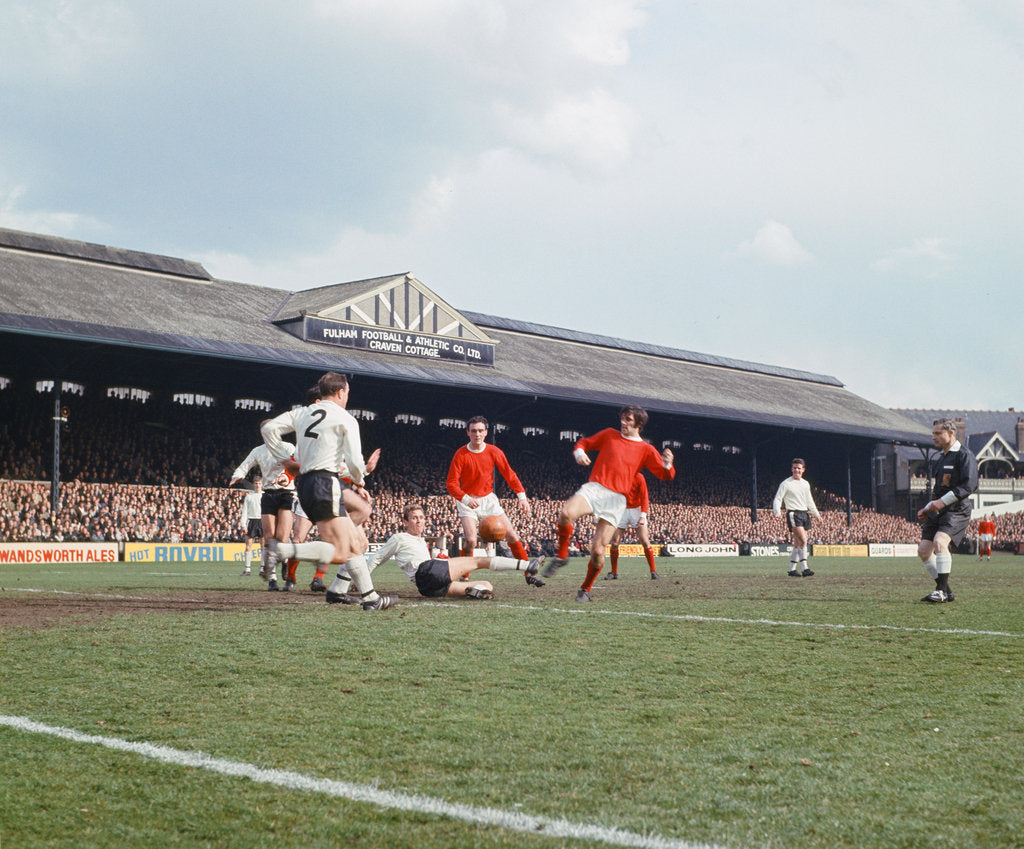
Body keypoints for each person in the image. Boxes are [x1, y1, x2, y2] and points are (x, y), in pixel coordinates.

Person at [262, 371, 395, 611]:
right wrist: (360, 479)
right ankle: (281, 550)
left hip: (307, 484)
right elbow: (354, 462)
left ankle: (355, 595)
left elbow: (269, 429)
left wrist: (285, 459)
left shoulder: (302, 412)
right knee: (343, 550)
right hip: (326, 483)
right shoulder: (345, 418)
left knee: (357, 539)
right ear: (341, 392)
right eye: (348, 393)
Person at [542, 405, 675, 601]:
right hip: (595, 488)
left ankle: (585, 589)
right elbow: (584, 442)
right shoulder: (610, 435)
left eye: (628, 419)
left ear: (638, 424)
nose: (623, 422)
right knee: (565, 514)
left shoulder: (646, 449)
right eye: (622, 418)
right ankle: (561, 556)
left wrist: (668, 463)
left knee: (597, 552)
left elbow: (664, 475)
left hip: (616, 500)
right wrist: (579, 452)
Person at [334, 502, 545, 602]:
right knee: (478, 561)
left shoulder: (420, 541)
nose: (419, 521)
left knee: (487, 585)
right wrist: (362, 582)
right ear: (406, 522)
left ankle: (475, 592)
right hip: (426, 572)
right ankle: (528, 565)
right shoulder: (399, 538)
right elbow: (377, 559)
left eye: (421, 518)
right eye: (414, 518)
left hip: (427, 588)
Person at [446, 416, 533, 560]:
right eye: (474, 431)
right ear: (468, 432)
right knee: (471, 540)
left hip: (488, 499)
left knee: (511, 535)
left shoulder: (494, 451)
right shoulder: (460, 454)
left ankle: (528, 568)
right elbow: (451, 484)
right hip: (467, 500)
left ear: (486, 432)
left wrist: (522, 497)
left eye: (481, 430)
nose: (477, 434)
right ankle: (464, 572)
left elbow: (510, 475)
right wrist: (466, 499)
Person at [917, 418, 979, 603]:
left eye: (938, 433)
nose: (933, 437)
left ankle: (940, 591)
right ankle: (946, 592)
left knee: (940, 541)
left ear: (951, 433)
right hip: (939, 510)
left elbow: (969, 486)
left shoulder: (965, 455)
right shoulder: (941, 458)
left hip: (957, 510)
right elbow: (939, 491)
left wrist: (941, 502)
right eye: (933, 433)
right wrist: (927, 508)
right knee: (923, 551)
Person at [229, 430, 297, 591]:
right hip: (268, 495)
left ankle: (285, 562)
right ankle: (272, 579)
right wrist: (237, 475)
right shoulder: (258, 450)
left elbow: (296, 464)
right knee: (269, 538)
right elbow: (245, 465)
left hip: (286, 494)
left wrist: (285, 477)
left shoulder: (288, 447)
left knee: (282, 537)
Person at [772, 458, 821, 577]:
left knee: (797, 544)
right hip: (793, 514)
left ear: (803, 469)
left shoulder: (805, 484)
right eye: (794, 468)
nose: (796, 470)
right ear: (791, 469)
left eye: (799, 468)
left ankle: (792, 570)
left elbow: (809, 500)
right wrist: (777, 512)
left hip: (805, 514)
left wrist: (816, 514)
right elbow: (778, 498)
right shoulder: (786, 483)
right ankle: (805, 568)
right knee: (804, 540)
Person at [605, 472, 659, 580]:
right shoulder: (618, 475)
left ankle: (653, 571)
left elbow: (644, 496)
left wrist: (643, 515)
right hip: (621, 510)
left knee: (645, 541)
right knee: (614, 543)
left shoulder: (639, 477)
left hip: (637, 510)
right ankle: (613, 572)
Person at [238, 474, 263, 576]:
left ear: (262, 484)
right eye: (256, 483)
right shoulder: (249, 496)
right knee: (248, 546)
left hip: (262, 521)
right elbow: (244, 511)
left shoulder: (264, 496)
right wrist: (243, 524)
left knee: (263, 547)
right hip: (252, 521)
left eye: (259, 483)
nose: (257, 485)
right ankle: (247, 569)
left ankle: (262, 569)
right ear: (253, 484)